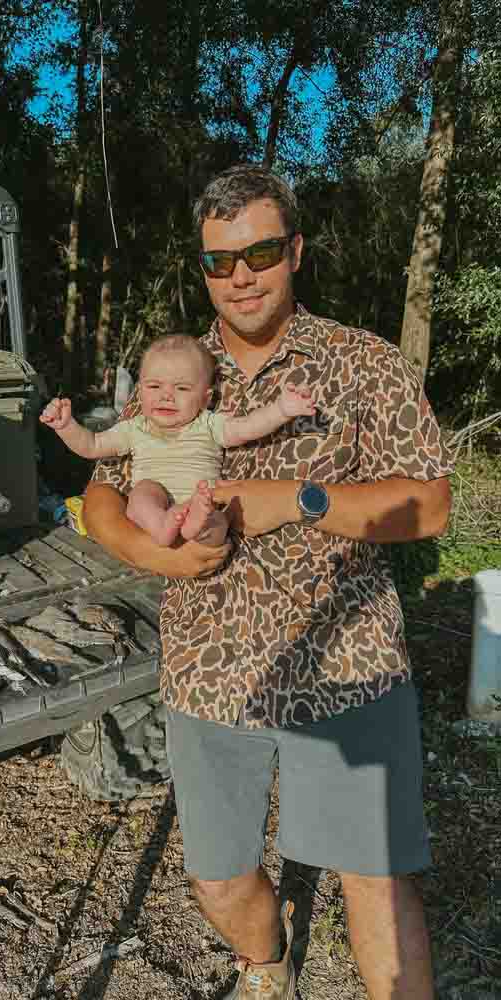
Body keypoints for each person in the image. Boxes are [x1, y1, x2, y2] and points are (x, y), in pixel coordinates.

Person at [82, 163, 453, 1000]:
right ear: (204, 268)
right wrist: (151, 555)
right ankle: (268, 963)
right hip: (212, 674)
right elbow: (100, 494)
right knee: (218, 879)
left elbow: (429, 505)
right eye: (221, 261)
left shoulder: (366, 365)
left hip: (347, 667)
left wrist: (300, 499)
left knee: (376, 882)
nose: (241, 276)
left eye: (260, 252)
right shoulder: (174, 370)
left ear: (296, 252)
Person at [39, 334, 315, 547]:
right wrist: (66, 426)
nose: (166, 395)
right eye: (154, 386)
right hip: (156, 503)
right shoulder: (135, 428)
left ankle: (198, 525)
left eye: (182, 388)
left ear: (206, 398)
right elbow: (92, 445)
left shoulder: (208, 423)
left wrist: (282, 409)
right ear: (140, 390)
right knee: (141, 496)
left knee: (219, 522)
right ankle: (162, 526)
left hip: (200, 499)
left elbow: (247, 427)